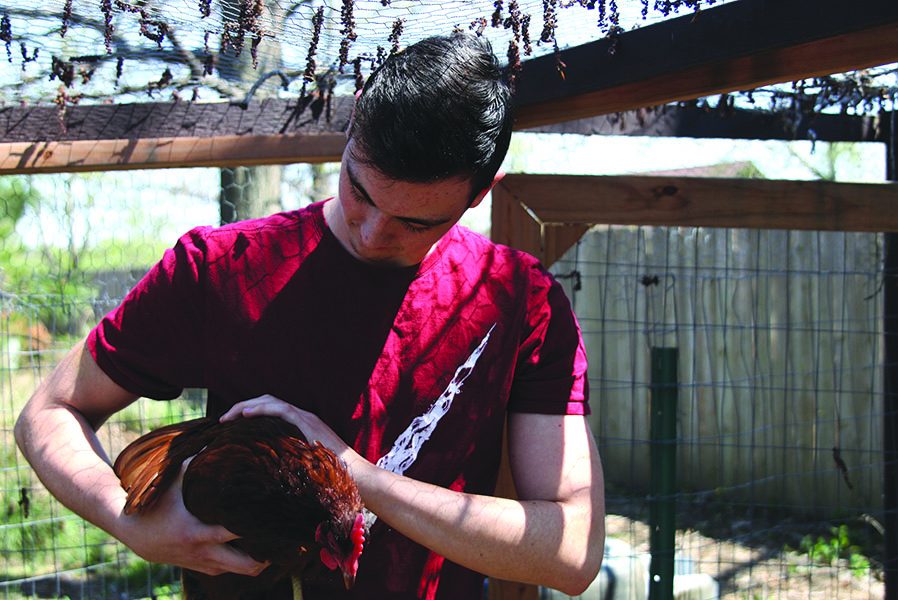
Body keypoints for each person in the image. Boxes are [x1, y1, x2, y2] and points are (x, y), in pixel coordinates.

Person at [15, 32, 605, 599]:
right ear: (350, 133)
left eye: (415, 222)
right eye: (360, 190)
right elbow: (48, 410)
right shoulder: (221, 267)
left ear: (480, 192)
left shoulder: (519, 302)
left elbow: (572, 552)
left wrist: (354, 475)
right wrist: (129, 521)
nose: (373, 232)